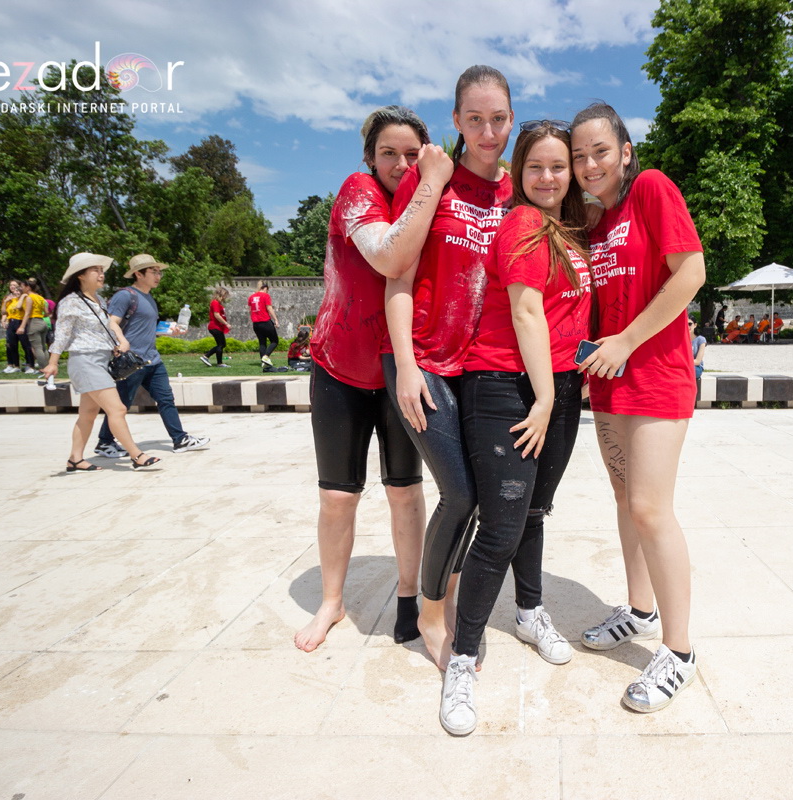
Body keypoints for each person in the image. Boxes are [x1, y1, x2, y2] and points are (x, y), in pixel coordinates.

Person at [439, 119, 592, 735]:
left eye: (559, 166)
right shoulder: (525, 223)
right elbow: (526, 310)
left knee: (532, 514)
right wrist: (548, 398)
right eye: (537, 167)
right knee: (499, 529)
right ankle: (463, 655)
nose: (550, 177)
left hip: (554, 388)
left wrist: (563, 391)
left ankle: (529, 611)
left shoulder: (569, 232)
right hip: (509, 387)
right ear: (520, 174)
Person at [295, 105, 454, 656]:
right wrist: (432, 178)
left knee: (405, 491)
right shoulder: (358, 190)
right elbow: (388, 257)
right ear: (369, 157)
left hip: (396, 367)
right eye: (389, 152)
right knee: (338, 496)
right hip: (339, 365)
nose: (401, 162)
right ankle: (331, 600)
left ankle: (409, 595)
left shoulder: (428, 200)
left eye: (413, 153)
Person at [571, 102, 706, 713]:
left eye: (600, 151)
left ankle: (678, 652)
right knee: (626, 502)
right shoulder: (595, 223)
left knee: (652, 508)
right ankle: (640, 610)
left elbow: (690, 274)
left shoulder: (651, 189)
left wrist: (627, 340)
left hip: (657, 377)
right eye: (579, 156)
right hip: (607, 384)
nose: (589, 164)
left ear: (625, 151)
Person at [384, 66, 514, 687]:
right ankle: (431, 613)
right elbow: (399, 273)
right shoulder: (431, 179)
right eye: (474, 119)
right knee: (458, 494)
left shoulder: (517, 191)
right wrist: (406, 365)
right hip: (426, 364)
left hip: (483, 369)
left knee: (483, 500)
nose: (487, 132)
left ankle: (452, 590)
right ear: (456, 120)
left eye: (498, 119)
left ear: (511, 121)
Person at [42, 253, 160, 471]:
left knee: (87, 414)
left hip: (100, 359)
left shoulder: (97, 300)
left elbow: (109, 326)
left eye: (101, 270)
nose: (101, 274)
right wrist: (53, 362)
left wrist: (121, 341)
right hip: (85, 361)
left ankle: (75, 459)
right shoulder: (71, 302)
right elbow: (62, 335)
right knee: (118, 409)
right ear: (80, 275)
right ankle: (137, 455)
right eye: (95, 270)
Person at [93, 254, 210, 458]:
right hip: (131, 361)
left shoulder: (148, 297)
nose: (158, 276)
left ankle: (179, 439)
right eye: (153, 272)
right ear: (138, 274)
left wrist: (168, 331)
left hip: (152, 359)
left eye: (159, 272)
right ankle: (105, 443)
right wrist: (121, 345)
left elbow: (145, 328)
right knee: (121, 404)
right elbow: (111, 323)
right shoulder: (125, 295)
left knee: (166, 399)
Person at [248, 280, 283, 371]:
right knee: (274, 341)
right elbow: (269, 308)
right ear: (265, 288)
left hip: (256, 323)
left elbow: (250, 310)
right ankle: (266, 356)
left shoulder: (251, 297)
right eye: (267, 290)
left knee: (262, 342)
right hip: (265, 321)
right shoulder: (265, 295)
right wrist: (275, 319)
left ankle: (263, 362)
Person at [0, 280, 30, 373]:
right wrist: (3, 320)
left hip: (20, 321)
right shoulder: (8, 298)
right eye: (11, 285)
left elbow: (21, 308)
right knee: (11, 345)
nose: (12, 287)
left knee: (25, 345)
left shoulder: (24, 297)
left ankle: (29, 365)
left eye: (14, 285)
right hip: (11, 322)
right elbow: (4, 312)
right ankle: (14, 365)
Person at [20, 277, 50, 368]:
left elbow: (27, 313)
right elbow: (46, 312)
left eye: (22, 287)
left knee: (37, 348)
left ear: (28, 287)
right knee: (43, 347)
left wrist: (22, 326)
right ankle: (48, 367)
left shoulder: (29, 298)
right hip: (42, 322)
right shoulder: (40, 297)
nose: (21, 289)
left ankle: (44, 369)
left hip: (34, 322)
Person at [200, 287, 231, 367]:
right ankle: (206, 356)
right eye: (225, 295)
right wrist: (226, 323)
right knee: (221, 344)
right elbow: (216, 315)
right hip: (215, 326)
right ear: (221, 295)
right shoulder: (215, 303)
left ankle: (219, 363)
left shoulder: (218, 303)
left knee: (221, 344)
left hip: (218, 327)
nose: (225, 298)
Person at [691, 318, 707, 387]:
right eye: (685, 324)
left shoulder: (701, 339)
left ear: (695, 325)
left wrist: (682, 362)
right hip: (683, 366)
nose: (687, 326)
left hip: (696, 367)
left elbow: (697, 361)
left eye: (689, 324)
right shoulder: (679, 340)